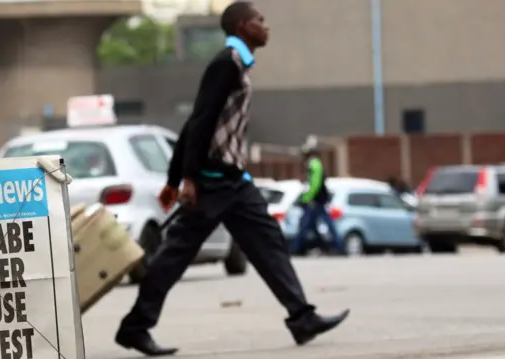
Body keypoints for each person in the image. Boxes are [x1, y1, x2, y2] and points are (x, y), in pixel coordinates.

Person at [114, 1, 350, 356]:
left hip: (234, 182)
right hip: (212, 180)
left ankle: (302, 317)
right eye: (260, 20)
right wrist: (184, 179)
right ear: (242, 27)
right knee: (174, 256)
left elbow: (199, 121)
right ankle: (135, 327)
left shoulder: (239, 65)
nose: (266, 26)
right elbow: (199, 121)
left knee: (268, 241)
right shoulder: (226, 65)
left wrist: (175, 178)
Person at [292, 145, 344, 255]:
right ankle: (328, 246)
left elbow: (314, 184)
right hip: (316, 200)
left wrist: (306, 198)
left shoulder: (314, 164)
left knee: (307, 224)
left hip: (315, 201)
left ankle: (297, 248)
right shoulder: (314, 164)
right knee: (313, 224)